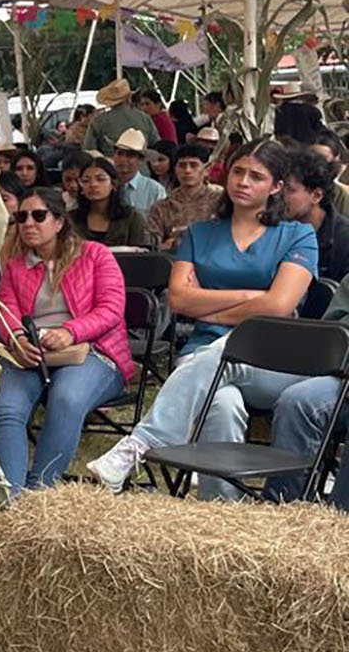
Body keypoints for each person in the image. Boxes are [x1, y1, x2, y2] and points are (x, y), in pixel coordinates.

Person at [87, 141, 317, 497]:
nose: (243, 181)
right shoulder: (200, 233)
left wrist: (211, 304)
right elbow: (178, 299)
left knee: (227, 349)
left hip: (273, 362)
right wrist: (253, 297)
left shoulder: (298, 235)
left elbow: (279, 307)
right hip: (202, 354)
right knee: (222, 404)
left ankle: (141, 444)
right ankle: (220, 516)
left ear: (276, 187)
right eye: (238, 171)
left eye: (257, 176)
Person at [0, 187, 132, 495]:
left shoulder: (95, 255)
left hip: (91, 349)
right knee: (6, 408)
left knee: (66, 399)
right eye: (21, 217)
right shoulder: (15, 266)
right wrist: (16, 339)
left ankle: (38, 492)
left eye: (39, 215)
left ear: (59, 222)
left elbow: (110, 309)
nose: (28, 223)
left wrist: (70, 331)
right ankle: (10, 500)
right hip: (32, 351)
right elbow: (6, 311)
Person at [264, 279, 349, 507]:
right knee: (298, 401)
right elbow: (334, 333)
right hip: (344, 379)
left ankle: (339, 519)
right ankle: (284, 508)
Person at [284, 150, 349, 282]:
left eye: (290, 190)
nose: (279, 195)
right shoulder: (272, 225)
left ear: (316, 195)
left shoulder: (344, 240)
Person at [143, 143, 222, 251]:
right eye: (182, 165)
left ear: (206, 170)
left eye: (194, 165)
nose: (187, 170)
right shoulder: (162, 207)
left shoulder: (219, 202)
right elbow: (152, 245)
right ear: (175, 169)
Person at [72, 157, 148, 248]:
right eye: (86, 181)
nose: (93, 184)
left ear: (114, 184)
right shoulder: (72, 218)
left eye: (100, 179)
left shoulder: (132, 217)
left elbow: (143, 255)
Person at [84, 78, 159, 158]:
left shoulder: (99, 121)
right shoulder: (145, 118)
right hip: (140, 166)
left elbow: (90, 151)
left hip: (110, 166)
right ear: (128, 98)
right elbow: (156, 145)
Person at [112, 129, 168, 214]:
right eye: (120, 153)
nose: (123, 159)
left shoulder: (155, 190)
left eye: (130, 155)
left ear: (140, 159)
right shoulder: (106, 186)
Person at [307, 129, 349, 218]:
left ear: (336, 158)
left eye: (323, 158)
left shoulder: (340, 195)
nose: (317, 162)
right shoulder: (299, 185)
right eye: (313, 156)